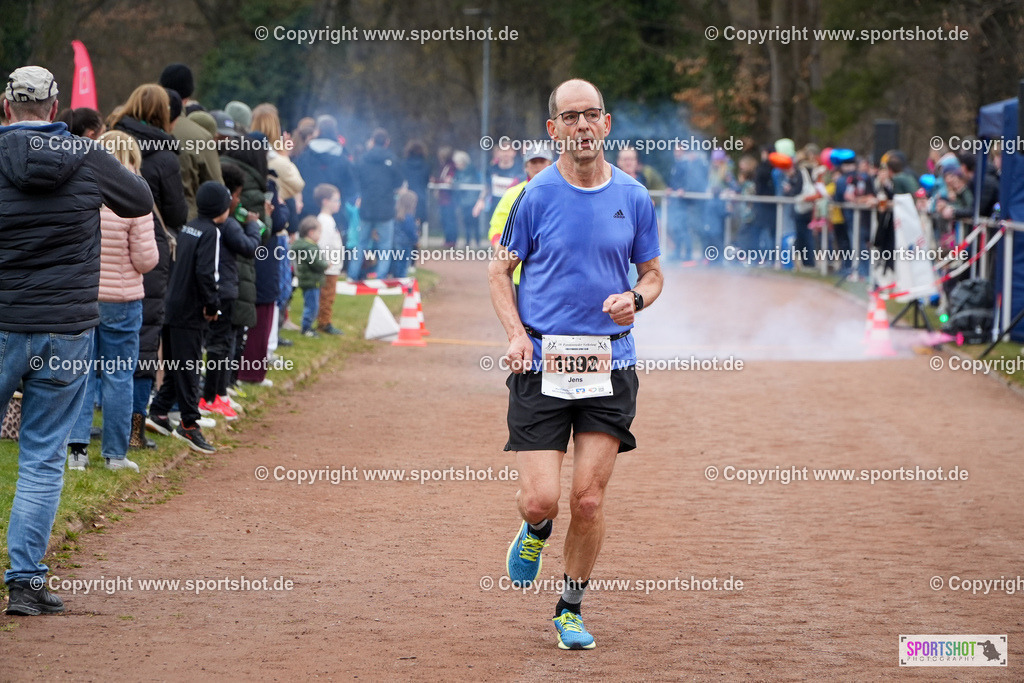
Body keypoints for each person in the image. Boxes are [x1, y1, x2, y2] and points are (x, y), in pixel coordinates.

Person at [488, 78, 663, 650]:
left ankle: (570, 607)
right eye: (570, 117)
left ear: (607, 124)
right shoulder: (533, 197)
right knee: (544, 497)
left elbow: (654, 274)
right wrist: (516, 335)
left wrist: (635, 300)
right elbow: (499, 272)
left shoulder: (634, 196)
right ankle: (536, 527)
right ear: (554, 129)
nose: (582, 126)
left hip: (609, 362)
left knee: (588, 499)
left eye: (591, 116)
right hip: (542, 361)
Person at [0, 66, 153, 616]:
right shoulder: (87, 156)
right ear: (57, 105)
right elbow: (138, 200)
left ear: (5, 106)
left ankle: (26, 579)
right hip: (64, 327)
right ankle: (24, 582)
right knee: (42, 457)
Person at [66, 131, 159, 472]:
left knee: (82, 372)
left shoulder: (83, 192)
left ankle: (76, 451)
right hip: (122, 298)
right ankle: (115, 453)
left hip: (84, 295)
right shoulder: (135, 201)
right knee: (119, 375)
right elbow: (146, 259)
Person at [109, 85, 187, 441]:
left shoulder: (108, 140)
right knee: (142, 347)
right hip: (145, 253)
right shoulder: (165, 157)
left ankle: (85, 437)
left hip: (96, 258)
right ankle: (134, 429)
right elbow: (176, 212)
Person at [145, 182, 226, 455]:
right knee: (189, 368)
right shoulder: (212, 232)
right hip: (190, 312)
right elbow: (207, 273)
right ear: (221, 208)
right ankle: (190, 425)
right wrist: (212, 306)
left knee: (177, 365)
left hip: (172, 307)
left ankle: (158, 413)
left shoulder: (190, 227)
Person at [199, 164, 260, 420]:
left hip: (220, 290)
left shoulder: (208, 224)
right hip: (224, 291)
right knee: (220, 346)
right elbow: (251, 247)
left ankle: (219, 394)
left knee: (221, 345)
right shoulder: (231, 225)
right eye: (236, 196)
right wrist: (254, 226)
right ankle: (210, 397)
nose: (237, 201)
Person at [159, 63, 223, 220]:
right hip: (187, 224)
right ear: (188, 94)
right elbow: (217, 189)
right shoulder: (200, 136)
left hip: (134, 222)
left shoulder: (131, 129)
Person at [486, 143, 555, 288]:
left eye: (542, 161)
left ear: (551, 164)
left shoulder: (563, 193)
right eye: (533, 162)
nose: (538, 166)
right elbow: (497, 225)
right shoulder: (513, 194)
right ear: (526, 166)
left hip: (555, 274)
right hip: (521, 276)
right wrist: (499, 245)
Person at [350, 128, 403, 279]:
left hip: (366, 207)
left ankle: (352, 275)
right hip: (386, 209)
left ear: (372, 141)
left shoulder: (363, 158)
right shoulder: (392, 159)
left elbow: (357, 177)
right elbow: (398, 181)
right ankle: (380, 277)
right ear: (387, 142)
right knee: (385, 245)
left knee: (361, 244)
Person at [314, 183, 345, 335]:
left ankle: (325, 321)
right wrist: (327, 263)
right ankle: (324, 323)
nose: (338, 203)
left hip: (332, 266)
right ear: (325, 201)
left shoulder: (328, 220)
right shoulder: (325, 221)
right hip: (328, 267)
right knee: (326, 296)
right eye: (336, 200)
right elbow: (322, 245)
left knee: (329, 296)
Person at [291, 217, 328, 336]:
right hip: (311, 281)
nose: (320, 235)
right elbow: (317, 263)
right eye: (319, 232)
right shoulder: (309, 247)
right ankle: (306, 328)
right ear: (311, 232)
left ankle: (308, 327)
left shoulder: (305, 245)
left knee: (311, 305)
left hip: (309, 280)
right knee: (312, 306)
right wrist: (326, 264)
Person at [391, 188, 420, 278]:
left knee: (396, 262)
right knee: (403, 264)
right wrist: (416, 239)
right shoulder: (409, 217)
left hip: (395, 242)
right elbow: (410, 231)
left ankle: (395, 277)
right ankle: (402, 279)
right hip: (405, 243)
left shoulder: (396, 216)